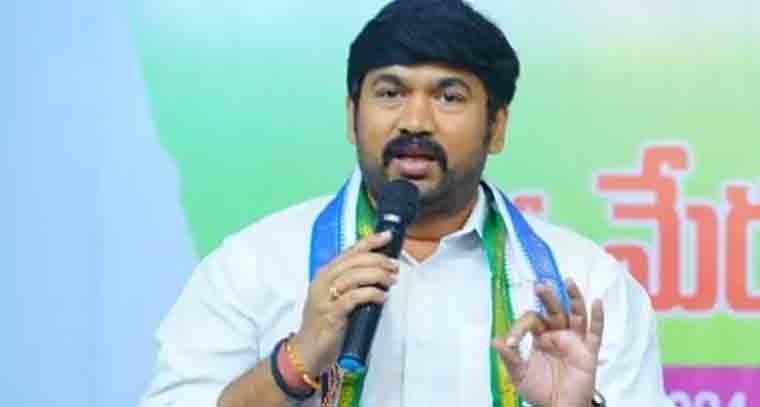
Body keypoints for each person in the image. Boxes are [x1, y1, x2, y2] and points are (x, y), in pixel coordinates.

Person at [140, 1, 673, 406]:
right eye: (390, 93)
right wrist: (295, 361)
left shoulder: (588, 286)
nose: (415, 121)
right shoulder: (254, 265)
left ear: (497, 127)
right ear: (352, 116)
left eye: (449, 96)